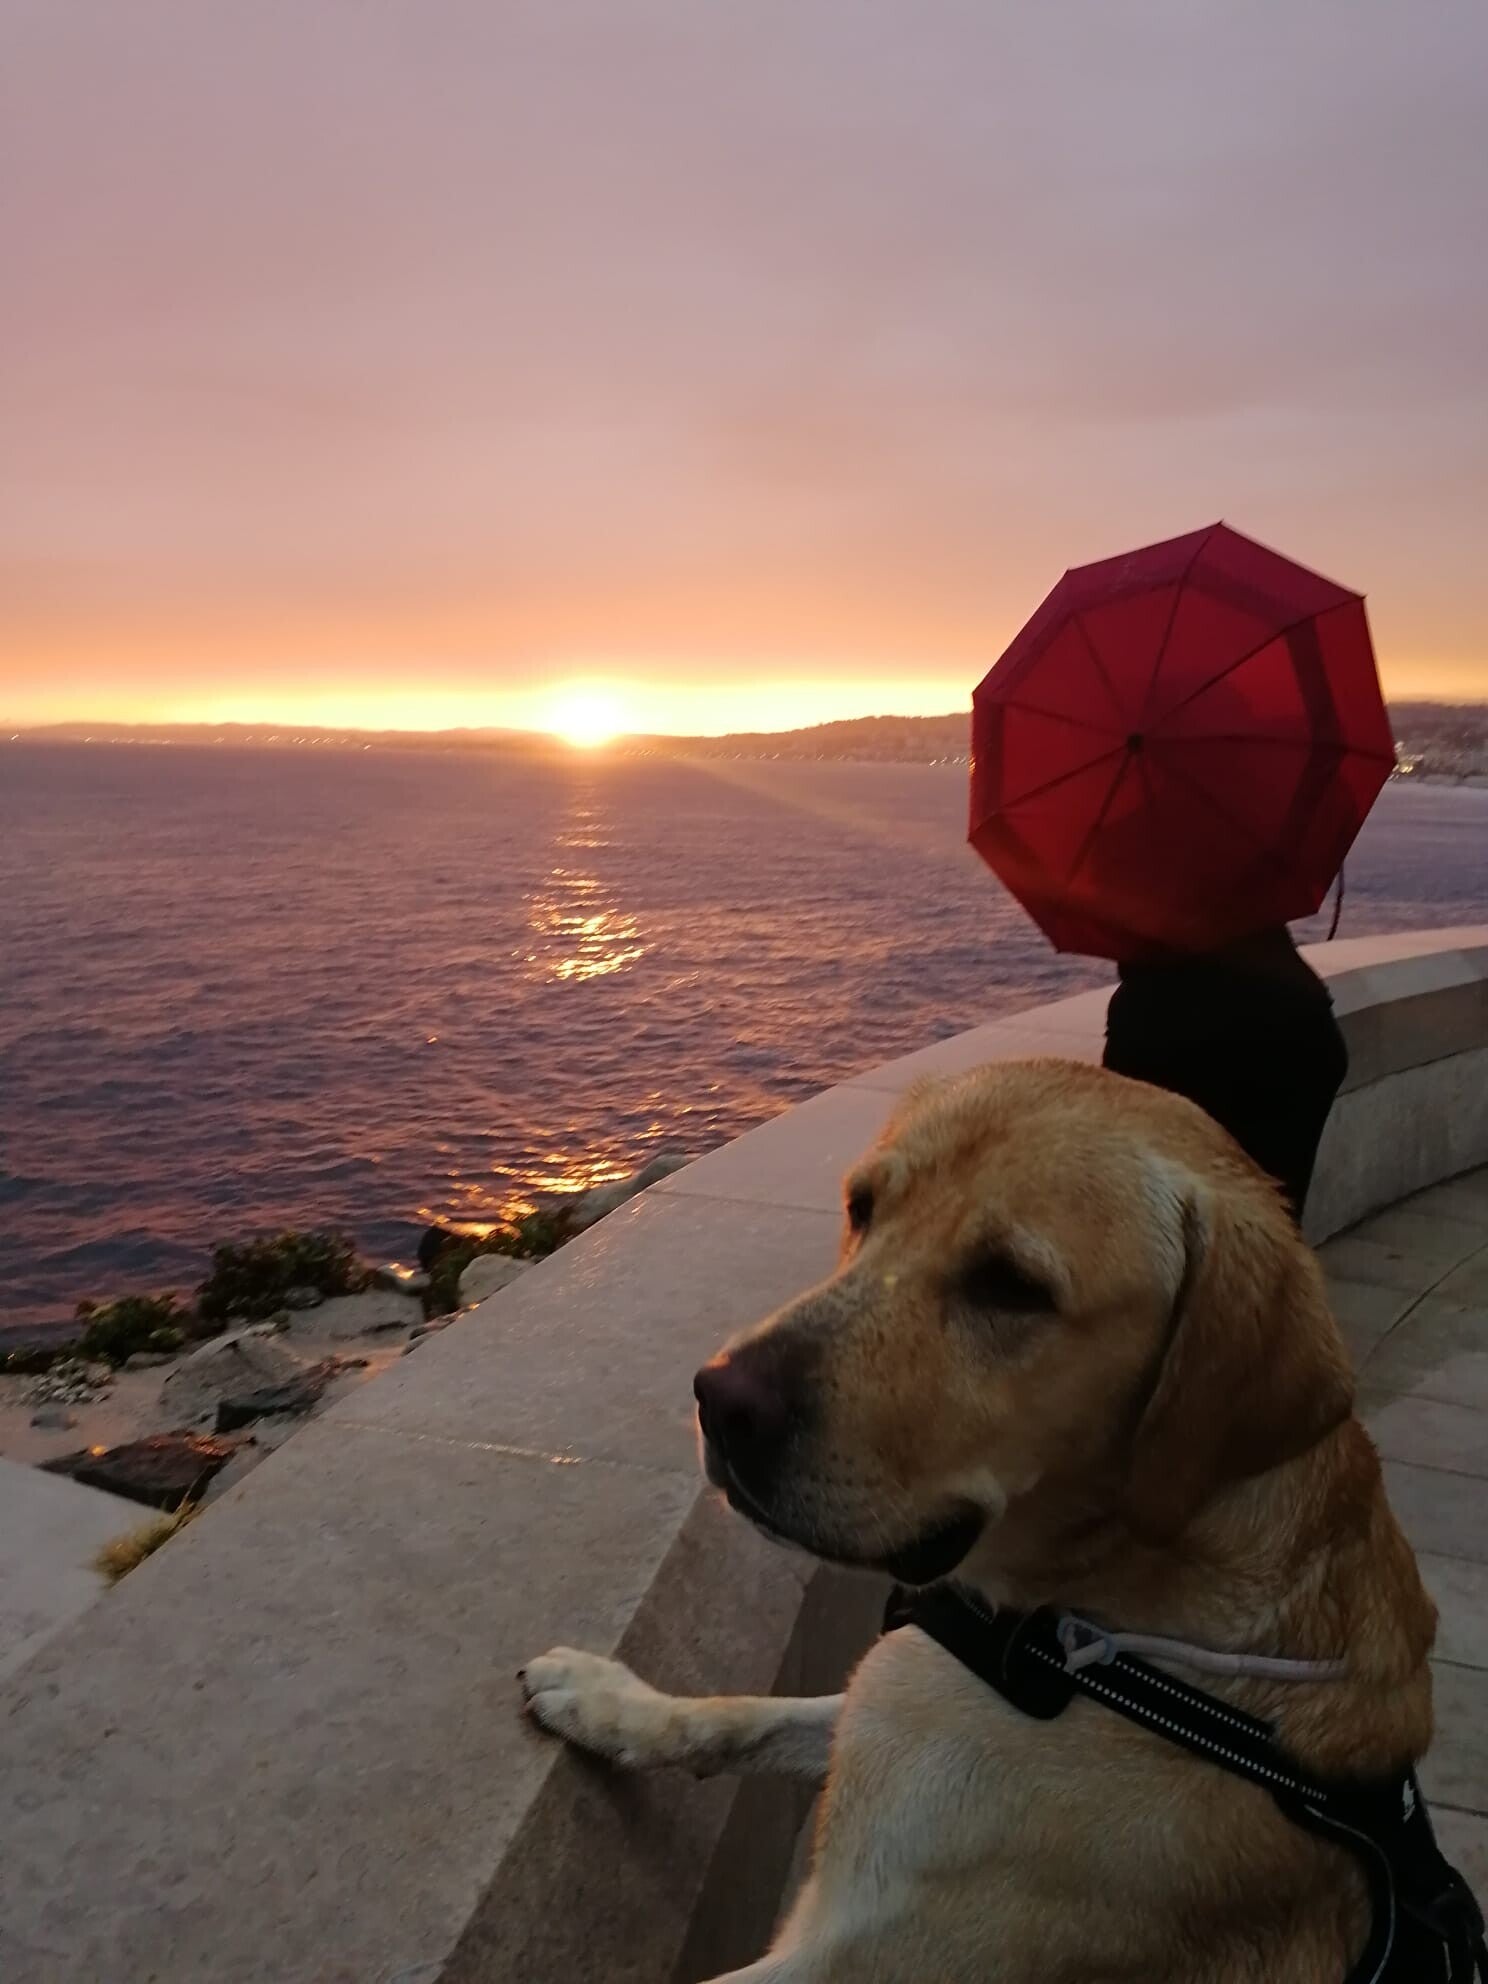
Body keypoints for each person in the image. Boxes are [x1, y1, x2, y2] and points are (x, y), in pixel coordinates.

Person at [1101, 924, 1348, 1223]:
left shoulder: (1146, 1004)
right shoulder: (1262, 948)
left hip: (1248, 1057)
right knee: (1277, 1216)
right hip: (1301, 1037)